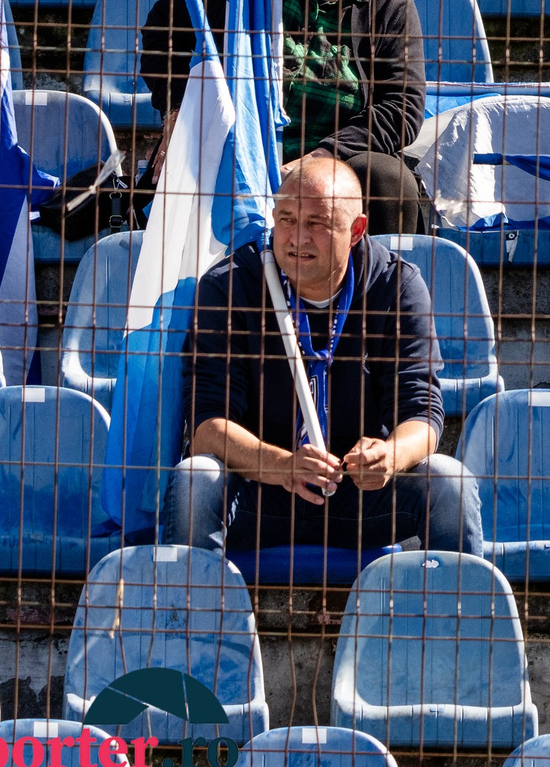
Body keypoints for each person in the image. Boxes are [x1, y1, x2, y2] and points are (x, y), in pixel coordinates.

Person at [167, 155, 481, 564]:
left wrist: (390, 456)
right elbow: (207, 426)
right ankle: (189, 622)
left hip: (362, 497)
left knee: (448, 480)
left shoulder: (396, 285)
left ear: (356, 230)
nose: (297, 238)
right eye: (285, 219)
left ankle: (456, 623)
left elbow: (422, 414)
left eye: (316, 223)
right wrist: (283, 466)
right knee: (197, 478)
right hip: (261, 493)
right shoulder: (231, 285)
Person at [146, 0, 431, 237]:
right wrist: (178, 111)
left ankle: (368, 292)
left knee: (387, 177)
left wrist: (320, 158)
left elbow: (401, 109)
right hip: (234, 150)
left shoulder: (389, 5)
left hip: (331, 168)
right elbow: (161, 30)